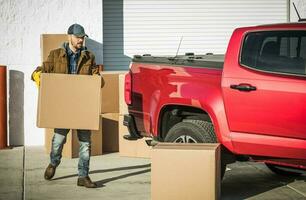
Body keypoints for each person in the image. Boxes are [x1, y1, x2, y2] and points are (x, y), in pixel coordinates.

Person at [31, 23, 99, 188]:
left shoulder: (89, 57)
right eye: (78, 37)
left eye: (83, 37)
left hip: (82, 107)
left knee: (85, 144)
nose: (80, 40)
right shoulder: (55, 55)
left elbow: (95, 76)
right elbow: (39, 71)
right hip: (64, 108)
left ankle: (83, 176)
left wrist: (98, 79)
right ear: (69, 36)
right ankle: (54, 163)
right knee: (58, 141)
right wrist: (38, 76)